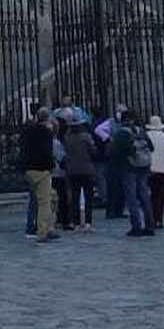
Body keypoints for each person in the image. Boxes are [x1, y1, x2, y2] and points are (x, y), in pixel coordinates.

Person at [114, 111, 155, 238]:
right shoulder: (141, 131)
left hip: (128, 167)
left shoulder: (121, 133)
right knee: (144, 196)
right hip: (143, 166)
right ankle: (150, 225)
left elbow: (116, 152)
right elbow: (151, 147)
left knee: (131, 198)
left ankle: (136, 226)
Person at [20, 103, 57, 242]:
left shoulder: (29, 131)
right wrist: (51, 166)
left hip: (29, 169)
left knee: (34, 200)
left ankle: (33, 226)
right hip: (41, 169)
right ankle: (43, 231)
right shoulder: (46, 133)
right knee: (44, 203)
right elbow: (47, 152)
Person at [63, 117, 96, 230]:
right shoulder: (86, 137)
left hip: (73, 170)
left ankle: (75, 221)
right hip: (86, 169)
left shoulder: (67, 139)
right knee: (88, 197)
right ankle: (88, 221)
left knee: (75, 196)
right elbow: (93, 150)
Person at [146, 114, 164, 230]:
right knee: (161, 196)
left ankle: (151, 217)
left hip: (151, 168)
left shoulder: (146, 135)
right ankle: (159, 219)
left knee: (152, 195)